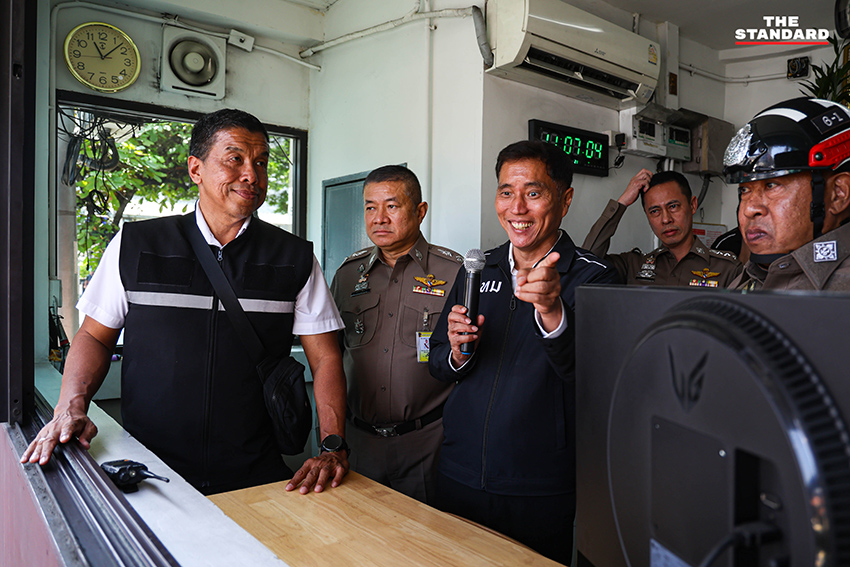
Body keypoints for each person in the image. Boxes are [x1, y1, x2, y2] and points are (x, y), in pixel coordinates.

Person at [22, 109, 349, 495]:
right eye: (235, 159)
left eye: (261, 162)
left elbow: (325, 357)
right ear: (196, 169)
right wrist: (70, 406)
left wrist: (332, 445)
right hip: (151, 470)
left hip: (256, 470)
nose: (252, 175)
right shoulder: (137, 244)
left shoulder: (293, 257)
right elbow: (94, 336)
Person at [428, 140, 620, 564]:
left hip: (539, 485)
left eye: (533, 193)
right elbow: (438, 361)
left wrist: (553, 312)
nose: (516, 208)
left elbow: (596, 380)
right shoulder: (476, 269)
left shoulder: (595, 279)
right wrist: (457, 353)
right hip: (460, 471)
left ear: (564, 199)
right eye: (505, 192)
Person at [331, 165, 461, 504]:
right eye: (370, 207)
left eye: (392, 206)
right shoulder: (347, 276)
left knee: (428, 545)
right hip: (361, 444)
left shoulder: (454, 273)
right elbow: (329, 359)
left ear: (420, 211)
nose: (379, 218)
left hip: (428, 444)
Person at [724, 97, 850, 291]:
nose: (749, 209)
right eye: (744, 190)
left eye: (771, 185)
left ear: (838, 194)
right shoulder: (747, 279)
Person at [583, 169, 741, 287]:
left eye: (673, 206)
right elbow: (585, 263)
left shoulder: (727, 269)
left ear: (693, 205)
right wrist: (621, 203)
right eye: (654, 211)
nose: (666, 219)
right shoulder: (634, 265)